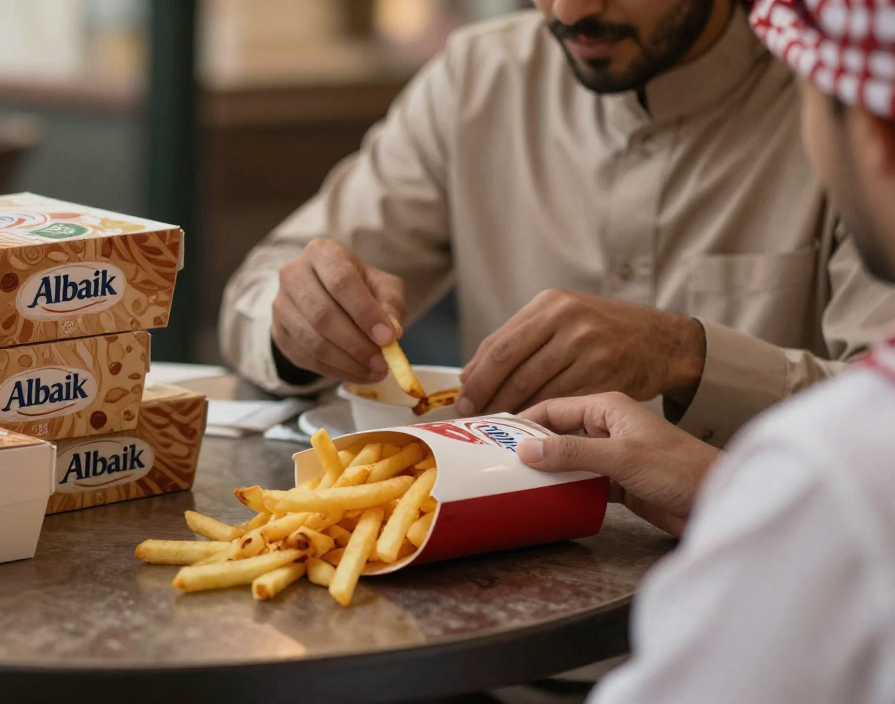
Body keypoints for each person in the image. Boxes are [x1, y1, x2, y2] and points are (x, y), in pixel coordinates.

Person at [220, 0, 895, 447]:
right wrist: (300, 323)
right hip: (485, 610)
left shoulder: (849, 102)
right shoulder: (480, 79)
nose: (571, 10)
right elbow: (256, 292)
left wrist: (688, 356)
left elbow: (882, 423)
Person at [512, 1, 895, 700]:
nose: (571, 8)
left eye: (810, 91)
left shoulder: (832, 472)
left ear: (874, 132)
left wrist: (752, 483)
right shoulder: (479, 76)